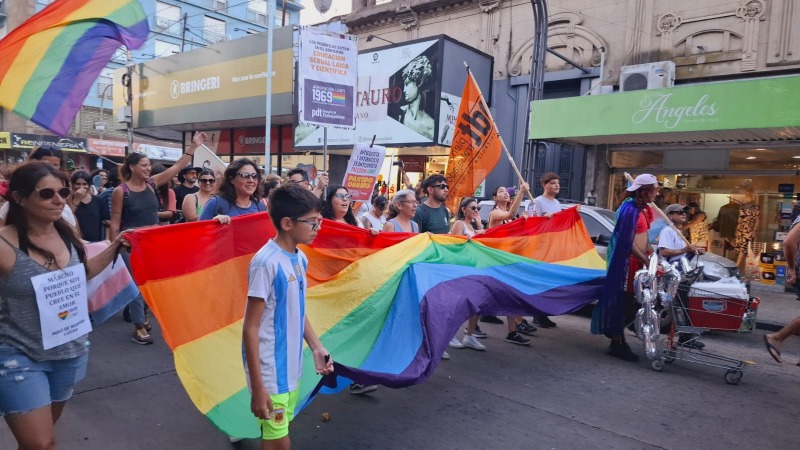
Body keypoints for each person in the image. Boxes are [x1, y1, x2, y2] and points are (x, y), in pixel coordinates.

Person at [0, 161, 131, 450]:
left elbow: (79, 275)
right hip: (18, 356)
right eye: (46, 194)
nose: (59, 199)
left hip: (69, 352)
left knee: (37, 441)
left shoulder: (67, 232)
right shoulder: (3, 245)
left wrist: (116, 244)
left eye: (63, 191)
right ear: (20, 199)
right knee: (41, 443)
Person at [242, 184, 334, 450]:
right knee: (278, 440)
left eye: (320, 221)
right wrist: (259, 388)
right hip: (271, 372)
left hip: (292, 367)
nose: (318, 227)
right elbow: (250, 327)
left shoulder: (300, 259)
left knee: (276, 435)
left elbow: (297, 309)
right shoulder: (265, 263)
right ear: (287, 223)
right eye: (312, 222)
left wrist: (316, 347)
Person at [110, 132, 207, 344]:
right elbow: (115, 221)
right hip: (130, 243)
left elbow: (177, 167)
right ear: (132, 167)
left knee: (153, 283)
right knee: (137, 285)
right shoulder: (121, 191)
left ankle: (142, 315)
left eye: (148, 165)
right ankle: (139, 326)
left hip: (153, 241)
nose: (147, 168)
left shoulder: (152, 184)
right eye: (143, 165)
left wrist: (194, 146)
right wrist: (113, 247)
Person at [592, 173, 659, 362]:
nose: (657, 192)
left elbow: (643, 238)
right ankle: (617, 342)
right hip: (627, 264)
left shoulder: (642, 209)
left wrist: (652, 255)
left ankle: (619, 332)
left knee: (636, 302)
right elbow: (627, 241)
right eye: (655, 188)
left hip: (639, 262)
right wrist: (645, 260)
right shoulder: (628, 209)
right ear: (645, 190)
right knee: (624, 303)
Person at [487, 184, 536, 345]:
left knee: (510, 295)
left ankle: (512, 331)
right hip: (494, 262)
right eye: (500, 191)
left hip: (508, 261)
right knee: (481, 296)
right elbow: (512, 212)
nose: (505, 193)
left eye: (506, 191)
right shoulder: (495, 213)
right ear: (495, 198)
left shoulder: (509, 217)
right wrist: (522, 192)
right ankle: (469, 329)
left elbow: (519, 229)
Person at [657, 203, 706, 350]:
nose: (683, 214)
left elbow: (681, 252)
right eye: (679, 212)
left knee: (685, 306)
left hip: (681, 275)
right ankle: (685, 338)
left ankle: (686, 338)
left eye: (684, 212)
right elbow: (664, 252)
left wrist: (693, 251)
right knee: (680, 307)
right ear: (670, 216)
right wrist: (685, 249)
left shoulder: (678, 232)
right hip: (672, 276)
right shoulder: (667, 231)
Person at [0, 145, 77, 228]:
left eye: (63, 193)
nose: (59, 201)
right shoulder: (10, 208)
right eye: (46, 194)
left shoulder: (65, 211)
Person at [450, 197, 487, 351]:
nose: (476, 211)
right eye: (473, 208)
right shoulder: (459, 224)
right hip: (461, 269)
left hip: (474, 268)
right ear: (464, 209)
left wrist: (479, 225)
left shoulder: (472, 226)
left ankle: (469, 335)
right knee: (458, 304)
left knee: (477, 302)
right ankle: (450, 335)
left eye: (477, 208)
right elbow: (455, 246)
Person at [529, 172, 563, 328]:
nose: (556, 185)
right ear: (544, 185)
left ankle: (543, 312)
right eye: (553, 183)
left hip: (552, 247)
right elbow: (531, 222)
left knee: (549, 282)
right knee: (539, 282)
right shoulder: (536, 201)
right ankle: (537, 314)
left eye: (558, 183)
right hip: (540, 248)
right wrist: (544, 218)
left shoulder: (557, 203)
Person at [200, 158, 266, 223]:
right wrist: (213, 224)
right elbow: (199, 231)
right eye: (245, 175)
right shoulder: (216, 204)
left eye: (254, 176)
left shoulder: (261, 207)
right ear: (231, 179)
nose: (251, 180)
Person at [396, 55, 434, 140]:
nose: (404, 90)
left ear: (419, 82)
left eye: (407, 84)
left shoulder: (430, 125)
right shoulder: (398, 113)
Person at [68, 170, 110, 242]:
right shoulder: (68, 200)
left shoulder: (98, 200)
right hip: (75, 241)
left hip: (95, 242)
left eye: (84, 184)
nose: (81, 187)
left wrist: (107, 239)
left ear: (89, 185)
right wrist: (77, 199)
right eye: (77, 184)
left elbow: (107, 222)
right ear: (72, 185)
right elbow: (68, 217)